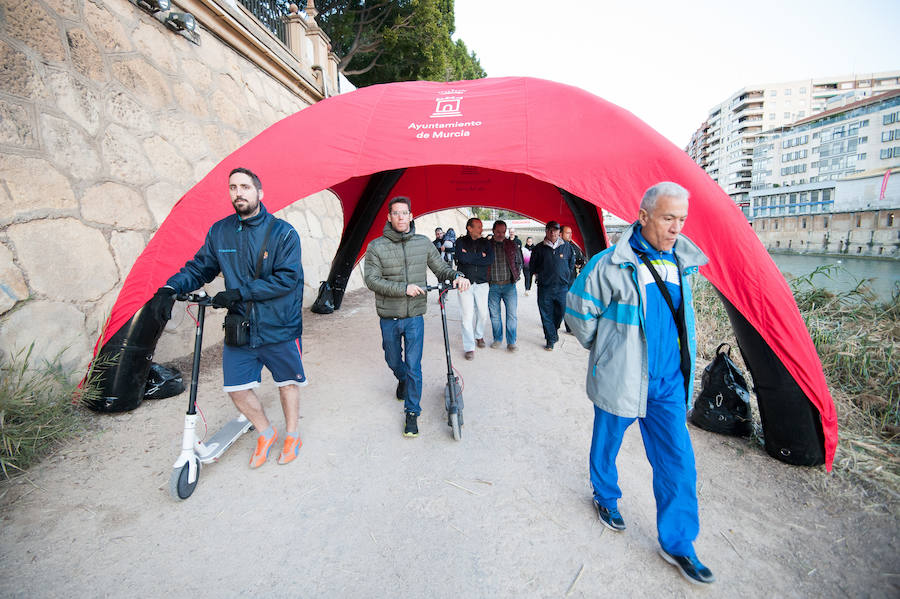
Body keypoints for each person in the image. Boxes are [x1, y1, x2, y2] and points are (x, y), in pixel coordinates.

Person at [564, 182, 713, 585]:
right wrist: (606, 351)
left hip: (667, 384)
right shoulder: (608, 264)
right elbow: (578, 313)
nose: (676, 228)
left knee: (678, 461)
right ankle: (605, 496)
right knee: (607, 442)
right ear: (644, 216)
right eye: (668, 218)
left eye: (682, 219)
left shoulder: (682, 262)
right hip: (623, 377)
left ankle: (678, 542)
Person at [157, 167, 306, 468]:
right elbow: (200, 268)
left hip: (279, 324)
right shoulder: (220, 231)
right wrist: (170, 287)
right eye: (233, 187)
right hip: (241, 326)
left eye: (245, 187)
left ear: (259, 193)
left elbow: (287, 279)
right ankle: (266, 431)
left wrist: (240, 293)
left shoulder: (283, 233)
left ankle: (292, 434)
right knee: (235, 388)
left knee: (287, 382)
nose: (238, 192)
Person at [363, 196, 470, 437]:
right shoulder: (376, 247)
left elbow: (441, 269)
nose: (401, 217)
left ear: (411, 216)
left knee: (414, 366)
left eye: (405, 213)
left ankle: (412, 413)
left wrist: (457, 276)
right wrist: (404, 288)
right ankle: (400, 378)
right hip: (389, 316)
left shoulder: (423, 243)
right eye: (396, 213)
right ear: (389, 217)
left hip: (414, 318)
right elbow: (371, 279)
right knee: (393, 360)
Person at [529, 220, 574, 350]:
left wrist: (565, 275)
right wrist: (540, 276)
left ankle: (553, 331)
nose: (553, 232)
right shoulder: (538, 248)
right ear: (546, 231)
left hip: (562, 288)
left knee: (560, 312)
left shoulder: (567, 247)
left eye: (555, 230)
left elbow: (571, 264)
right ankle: (550, 339)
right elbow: (533, 266)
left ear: (559, 232)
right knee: (546, 314)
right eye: (550, 230)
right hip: (545, 287)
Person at [454, 217, 494, 360]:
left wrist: (470, 256)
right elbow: (461, 258)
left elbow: (489, 260)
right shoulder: (460, 242)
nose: (481, 229)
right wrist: (479, 256)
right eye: (478, 226)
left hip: (482, 283)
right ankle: (469, 347)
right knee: (466, 316)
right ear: (469, 228)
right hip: (465, 282)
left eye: (481, 227)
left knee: (483, 314)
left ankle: (479, 335)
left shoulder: (486, 242)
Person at [487, 220, 523, 352]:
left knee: (512, 315)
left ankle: (511, 342)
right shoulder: (487, 245)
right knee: (495, 315)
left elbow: (519, 262)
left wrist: (516, 275)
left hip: (509, 286)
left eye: (503, 232)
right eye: (498, 232)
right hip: (493, 287)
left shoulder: (512, 245)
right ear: (493, 231)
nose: (501, 234)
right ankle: (497, 339)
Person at [561, 225, 587, 333]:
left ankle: (569, 327)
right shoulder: (557, 247)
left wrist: (580, 264)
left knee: (569, 303)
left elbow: (580, 259)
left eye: (571, 233)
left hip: (571, 279)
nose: (570, 235)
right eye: (567, 233)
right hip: (560, 280)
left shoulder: (573, 246)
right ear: (560, 234)